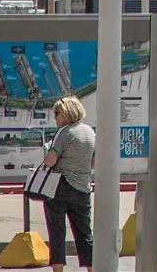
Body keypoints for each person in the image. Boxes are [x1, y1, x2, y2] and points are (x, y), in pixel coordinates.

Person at [40, 96, 95, 272]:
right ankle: (92, 268)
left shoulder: (64, 133)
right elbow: (93, 162)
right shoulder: (89, 132)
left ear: (65, 113)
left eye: (57, 113)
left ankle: (58, 269)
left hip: (60, 186)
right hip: (83, 187)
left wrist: (47, 149)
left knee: (57, 232)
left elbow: (50, 161)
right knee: (84, 233)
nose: (55, 117)